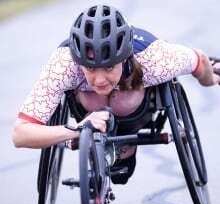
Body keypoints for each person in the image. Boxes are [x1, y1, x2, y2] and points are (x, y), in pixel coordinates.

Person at [12, 4, 220, 184]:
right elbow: (20, 135)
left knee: (123, 173)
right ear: (78, 61)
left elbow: (199, 60)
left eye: (109, 67)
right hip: (87, 114)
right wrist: (76, 130)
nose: (100, 79)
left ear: (125, 57)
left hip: (137, 112)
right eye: (90, 68)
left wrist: (209, 79)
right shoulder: (63, 65)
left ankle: (126, 144)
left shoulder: (155, 59)